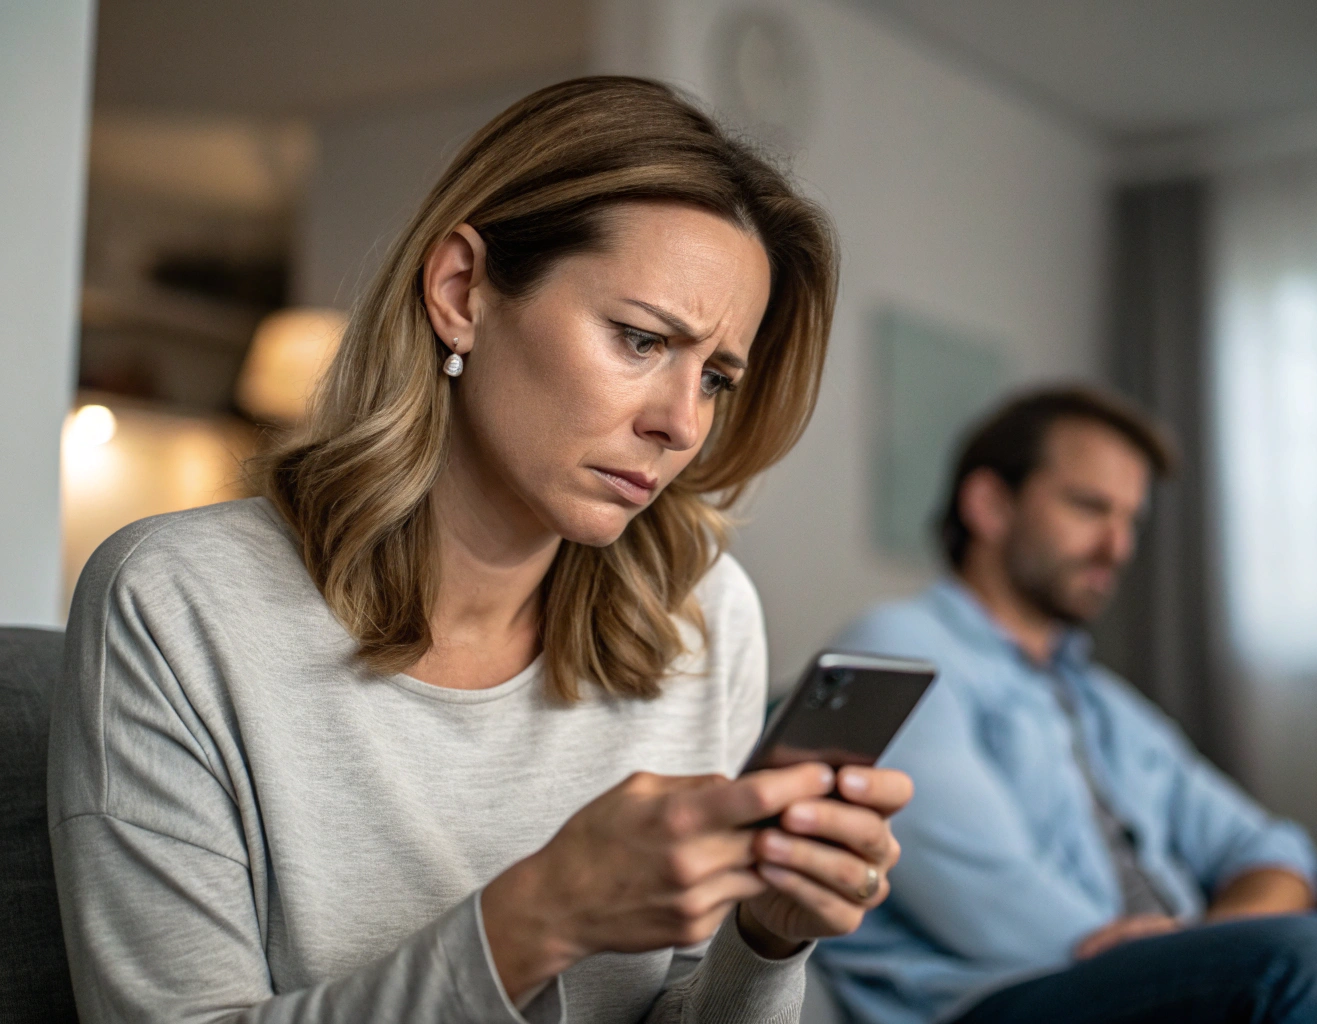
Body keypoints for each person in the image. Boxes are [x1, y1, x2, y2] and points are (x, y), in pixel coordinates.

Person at [49, 77, 912, 1024]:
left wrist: (766, 940)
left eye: (715, 377)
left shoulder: (701, 610)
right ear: (461, 292)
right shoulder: (177, 603)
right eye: (638, 339)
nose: (681, 424)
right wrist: (534, 917)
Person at [813, 386, 1317, 1024]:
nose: (1117, 546)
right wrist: (1223, 952)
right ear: (990, 505)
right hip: (1014, 997)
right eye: (1090, 507)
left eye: (1130, 520)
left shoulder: (1102, 702)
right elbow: (991, 906)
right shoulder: (896, 647)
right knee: (1304, 956)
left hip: (1195, 973)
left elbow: (1270, 851)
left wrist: (1217, 942)